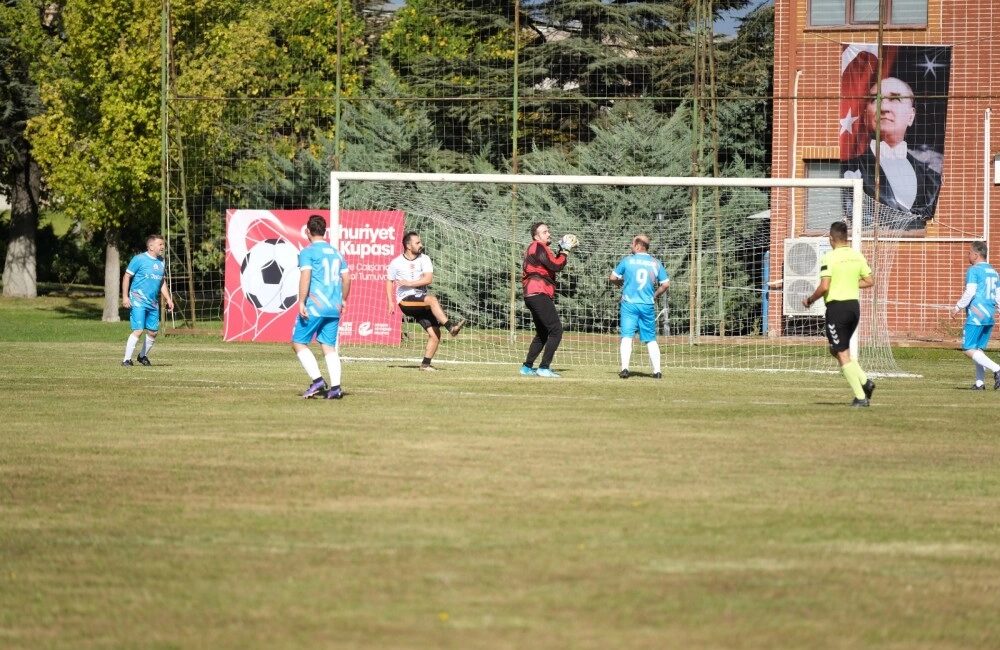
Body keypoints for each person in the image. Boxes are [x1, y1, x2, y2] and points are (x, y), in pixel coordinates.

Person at [842, 77, 942, 227]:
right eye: (875, 100)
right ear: (865, 116)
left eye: (895, 99)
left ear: (911, 116)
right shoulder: (844, 170)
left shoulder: (932, 179)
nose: (883, 108)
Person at [802, 221, 877, 407]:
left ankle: (861, 397)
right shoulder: (857, 255)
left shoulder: (829, 257)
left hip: (837, 310)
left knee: (841, 353)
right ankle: (865, 382)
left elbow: (824, 287)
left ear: (831, 238)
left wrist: (810, 300)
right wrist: (848, 283)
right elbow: (869, 281)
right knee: (837, 349)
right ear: (846, 237)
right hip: (853, 308)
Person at [385, 231, 465, 371]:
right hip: (405, 301)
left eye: (420, 242)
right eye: (417, 243)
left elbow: (428, 279)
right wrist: (391, 301)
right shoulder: (396, 262)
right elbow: (389, 281)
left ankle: (425, 365)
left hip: (421, 302)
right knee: (432, 300)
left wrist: (409, 283)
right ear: (408, 246)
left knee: (435, 334)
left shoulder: (425, 259)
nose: (421, 245)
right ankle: (451, 327)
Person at [292, 214, 352, 399]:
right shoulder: (336, 253)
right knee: (328, 346)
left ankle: (317, 380)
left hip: (315, 306)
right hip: (334, 306)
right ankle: (335, 388)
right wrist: (343, 300)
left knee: (298, 342)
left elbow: (306, 277)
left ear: (307, 231)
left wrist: (301, 301)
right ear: (324, 231)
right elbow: (347, 278)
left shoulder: (308, 252)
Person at [609, 234, 670, 379]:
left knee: (627, 336)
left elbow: (612, 277)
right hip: (647, 305)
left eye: (632, 243)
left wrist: (619, 283)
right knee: (650, 338)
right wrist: (655, 295)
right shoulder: (655, 263)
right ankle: (657, 371)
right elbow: (666, 284)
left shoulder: (627, 261)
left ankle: (625, 369)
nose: (631, 246)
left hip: (629, 304)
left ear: (637, 245)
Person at [520, 222, 575, 378]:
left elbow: (550, 264)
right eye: (544, 232)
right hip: (538, 292)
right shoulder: (538, 246)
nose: (548, 234)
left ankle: (526, 367)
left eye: (548, 231)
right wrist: (565, 251)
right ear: (536, 236)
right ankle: (544, 368)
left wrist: (560, 251)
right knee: (556, 330)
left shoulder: (539, 248)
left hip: (532, 294)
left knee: (543, 332)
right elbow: (556, 265)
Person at [949, 241, 1000, 390]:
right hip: (989, 315)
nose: (968, 255)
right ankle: (979, 383)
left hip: (977, 314)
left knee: (967, 348)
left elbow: (970, 291)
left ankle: (997, 369)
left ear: (976, 255)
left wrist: (958, 306)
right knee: (978, 349)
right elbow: (998, 295)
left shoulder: (974, 270)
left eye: (969, 252)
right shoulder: (994, 272)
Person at [121, 234, 174, 367]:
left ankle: (142, 356)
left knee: (153, 332)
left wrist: (168, 299)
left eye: (163, 244)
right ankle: (126, 360)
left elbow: (161, 281)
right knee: (138, 330)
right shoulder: (139, 259)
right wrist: (125, 297)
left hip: (153, 303)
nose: (162, 247)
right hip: (138, 300)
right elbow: (127, 276)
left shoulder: (161, 261)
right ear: (151, 246)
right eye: (160, 244)